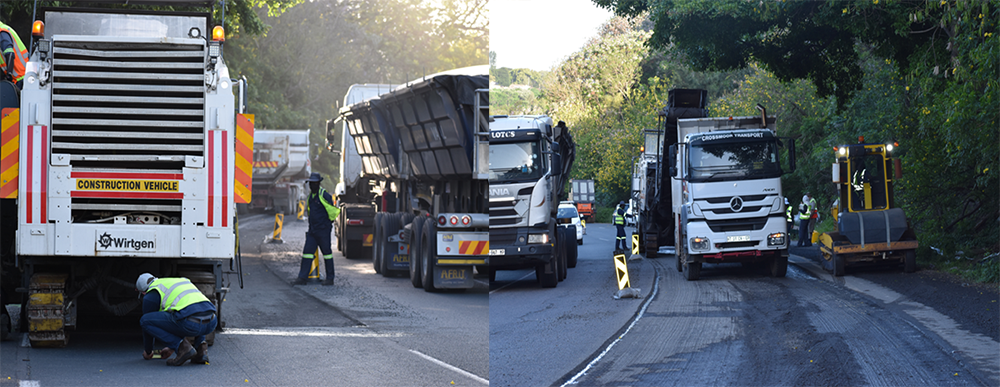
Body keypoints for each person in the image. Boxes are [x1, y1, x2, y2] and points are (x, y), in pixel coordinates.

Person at [136, 273, 216, 366]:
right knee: (195, 311)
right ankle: (201, 350)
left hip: (191, 323)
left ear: (143, 292)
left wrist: (148, 352)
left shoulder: (151, 295)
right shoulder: (179, 281)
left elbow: (148, 326)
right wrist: (171, 348)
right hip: (211, 322)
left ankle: (183, 348)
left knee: (145, 320)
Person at [294, 173, 341, 286]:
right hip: (313, 231)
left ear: (319, 183)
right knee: (307, 253)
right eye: (311, 183)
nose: (312, 185)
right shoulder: (311, 196)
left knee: (327, 254)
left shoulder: (324, 195)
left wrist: (326, 225)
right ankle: (302, 278)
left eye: (315, 183)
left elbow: (333, 212)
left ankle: (330, 279)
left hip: (323, 231)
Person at [0, 20, 27, 88]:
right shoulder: (4, 30)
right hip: (23, 77)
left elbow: (9, 54)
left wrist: (9, 75)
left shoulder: (2, 33)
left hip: (21, 79)